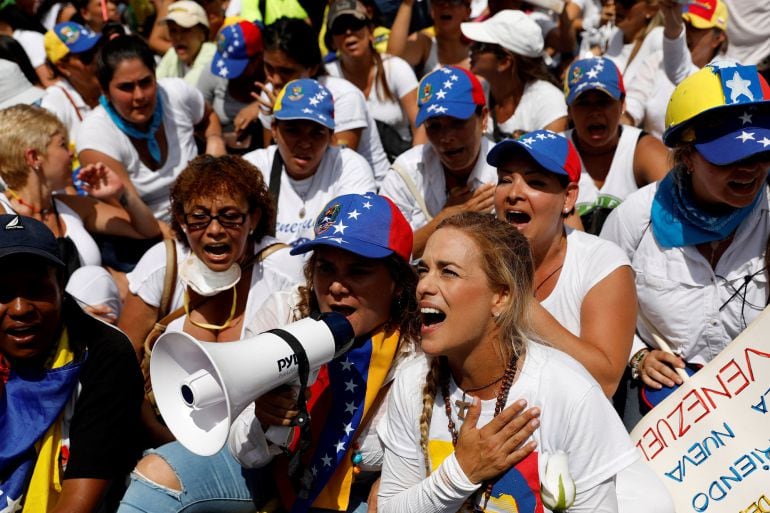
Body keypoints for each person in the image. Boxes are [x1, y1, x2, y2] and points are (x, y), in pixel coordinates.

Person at [119, 192, 419, 513]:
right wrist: (264, 420)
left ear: (397, 283)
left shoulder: (420, 348)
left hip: (357, 492)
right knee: (157, 474)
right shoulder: (285, 310)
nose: (335, 287)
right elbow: (241, 450)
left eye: (358, 272)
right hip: (271, 475)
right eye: (325, 268)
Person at [377, 212, 639, 511]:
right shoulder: (414, 381)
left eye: (448, 272)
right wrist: (460, 474)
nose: (424, 286)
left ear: (501, 296)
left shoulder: (569, 392)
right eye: (423, 270)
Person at [601, 59, 770, 424]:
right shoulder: (634, 219)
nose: (750, 168)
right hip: (663, 415)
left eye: (761, 153)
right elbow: (595, 308)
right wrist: (637, 355)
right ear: (688, 155)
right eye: (730, 157)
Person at [118, 154, 304, 438]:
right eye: (199, 217)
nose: (215, 230)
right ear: (181, 220)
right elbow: (122, 360)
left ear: (253, 218)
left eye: (230, 217)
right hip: (160, 434)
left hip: (252, 443)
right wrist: (153, 428)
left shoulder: (286, 269)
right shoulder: (162, 262)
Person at [0, 214, 144, 513]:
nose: (20, 308)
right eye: (2, 293)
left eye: (36, 289)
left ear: (61, 286)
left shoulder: (104, 354)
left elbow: (77, 505)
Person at [489, 130, 635, 398]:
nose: (513, 193)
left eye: (535, 182)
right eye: (505, 180)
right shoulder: (477, 257)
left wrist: (525, 310)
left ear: (568, 198)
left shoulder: (602, 263)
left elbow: (605, 381)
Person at [0, 104, 160, 281]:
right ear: (34, 157)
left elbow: (147, 230)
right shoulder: (3, 214)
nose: (71, 154)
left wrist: (121, 193)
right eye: (62, 145)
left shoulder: (70, 205)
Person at [77, 34, 225, 223]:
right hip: (151, 232)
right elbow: (133, 219)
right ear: (105, 91)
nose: (139, 96)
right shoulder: (95, 136)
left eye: (146, 82)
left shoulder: (177, 93)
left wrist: (215, 141)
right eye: (126, 87)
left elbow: (208, 117)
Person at [379, 66, 496, 257]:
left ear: (483, 118)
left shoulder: (507, 170)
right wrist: (446, 218)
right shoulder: (406, 172)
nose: (446, 137)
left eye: (458, 123)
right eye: (434, 126)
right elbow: (387, 257)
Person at [244, 78, 376, 247]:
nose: (305, 143)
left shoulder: (350, 167)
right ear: (274, 129)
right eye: (293, 131)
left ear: (331, 135)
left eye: (317, 133)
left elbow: (352, 241)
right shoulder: (252, 170)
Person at [257, 17, 389, 185]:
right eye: (269, 68)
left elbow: (336, 161)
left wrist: (281, 111)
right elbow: (274, 154)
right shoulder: (269, 94)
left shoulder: (344, 96)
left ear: (311, 68)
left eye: (286, 71)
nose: (274, 79)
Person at [563, 56, 669, 234]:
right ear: (569, 111)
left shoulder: (643, 149)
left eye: (603, 101)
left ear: (622, 105)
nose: (594, 112)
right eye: (583, 103)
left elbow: (681, 203)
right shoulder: (554, 152)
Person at [325, 0, 426, 161]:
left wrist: (413, 168)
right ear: (331, 41)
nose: (349, 32)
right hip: (345, 167)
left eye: (355, 24)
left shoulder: (395, 67)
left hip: (400, 162)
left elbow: (420, 124)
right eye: (340, 28)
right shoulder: (326, 79)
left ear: (371, 31)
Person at [623, 0, 729, 139]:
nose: (687, 32)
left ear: (717, 38)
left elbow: (680, 71)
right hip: (651, 155)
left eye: (695, 27)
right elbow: (633, 104)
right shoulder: (657, 59)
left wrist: (673, 29)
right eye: (683, 23)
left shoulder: (726, 72)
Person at [461, 9, 569, 140]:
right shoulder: (476, 93)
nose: (471, 49)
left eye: (480, 46)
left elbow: (553, 157)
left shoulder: (549, 103)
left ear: (504, 62)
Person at [196, 20, 266, 153]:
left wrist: (260, 106)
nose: (227, 73)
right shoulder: (211, 72)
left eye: (235, 65)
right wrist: (216, 138)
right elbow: (198, 116)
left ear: (258, 57)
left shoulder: (272, 74)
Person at [41, 21, 102, 146]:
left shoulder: (116, 82)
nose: (97, 60)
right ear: (63, 67)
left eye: (98, 50)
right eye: (87, 56)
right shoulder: (55, 101)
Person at [386, 0, 471, 78]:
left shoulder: (479, 44)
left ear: (467, 12)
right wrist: (407, 4)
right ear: (432, 10)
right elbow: (392, 59)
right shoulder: (425, 43)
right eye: (439, 1)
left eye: (454, 1)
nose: (445, 5)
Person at [155, 0, 217, 87]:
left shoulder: (211, 55)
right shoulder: (172, 53)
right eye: (173, 31)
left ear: (202, 34)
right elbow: (155, 84)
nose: (178, 37)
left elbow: (187, 91)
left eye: (185, 30)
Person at [602, 0, 664, 85]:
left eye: (626, 3)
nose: (617, 7)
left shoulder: (658, 39)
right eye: (616, 1)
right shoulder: (616, 34)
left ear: (651, 10)